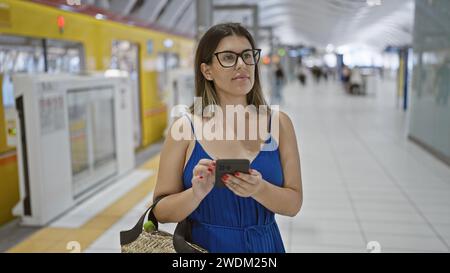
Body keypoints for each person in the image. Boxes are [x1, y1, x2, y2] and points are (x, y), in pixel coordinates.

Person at [152, 23, 303, 253]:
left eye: (247, 56)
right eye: (229, 57)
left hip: (265, 248)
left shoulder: (279, 124)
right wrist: (196, 194)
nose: (242, 64)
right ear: (207, 71)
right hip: (203, 248)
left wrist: (259, 189)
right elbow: (160, 211)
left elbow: (293, 204)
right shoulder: (185, 129)